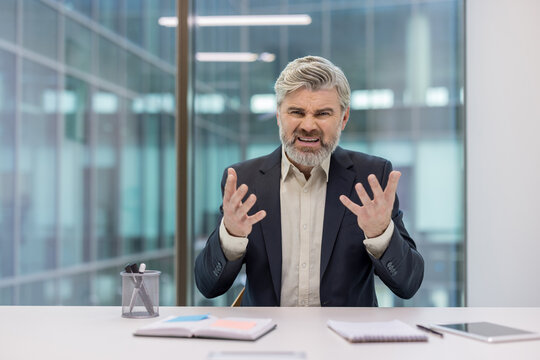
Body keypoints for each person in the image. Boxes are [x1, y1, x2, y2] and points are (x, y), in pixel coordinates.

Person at [195, 56, 424, 306]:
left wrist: (381, 234)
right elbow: (209, 286)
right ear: (279, 115)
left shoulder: (371, 177)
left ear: (343, 118)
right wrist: (230, 237)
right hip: (269, 339)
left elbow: (408, 285)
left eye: (323, 113)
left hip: (344, 341)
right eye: (296, 112)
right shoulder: (243, 182)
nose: (308, 125)